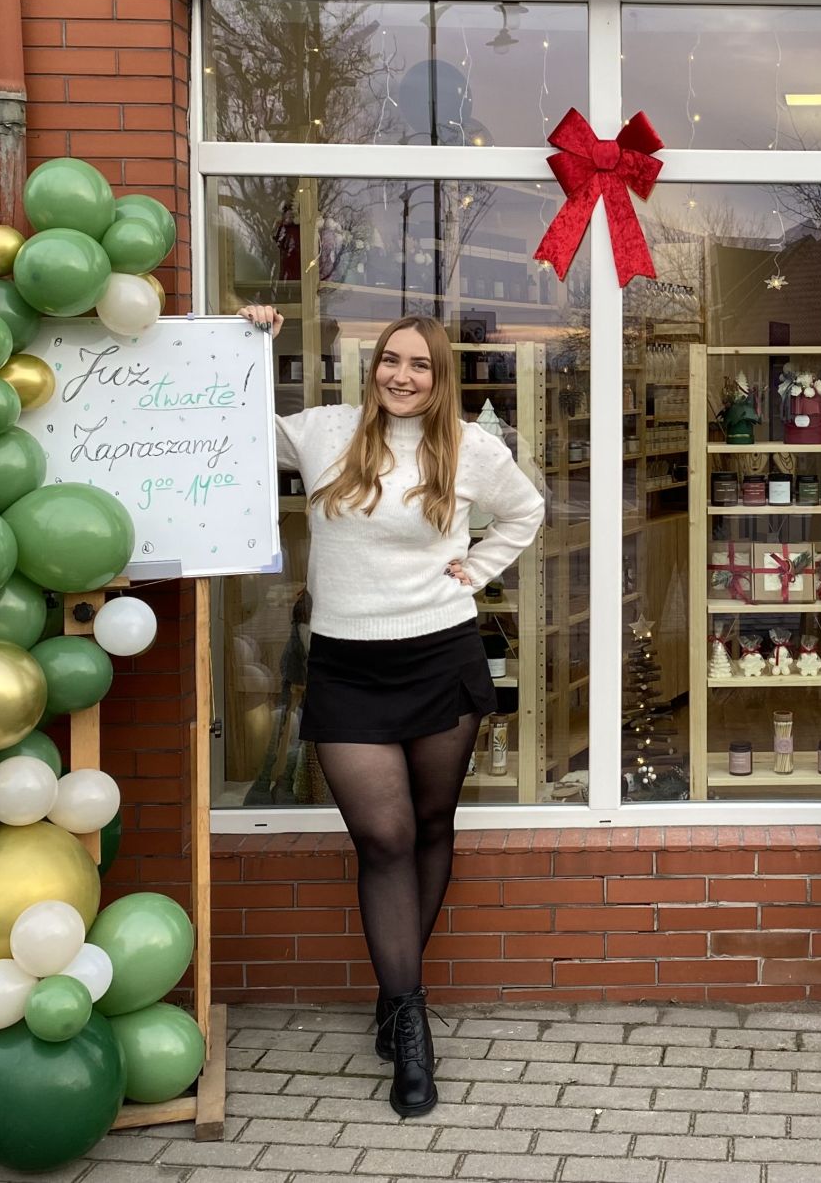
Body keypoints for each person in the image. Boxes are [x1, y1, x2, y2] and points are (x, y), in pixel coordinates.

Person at [239, 307, 544, 1118]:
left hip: (439, 654)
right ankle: (411, 1022)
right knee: (384, 837)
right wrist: (246, 340)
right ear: (373, 365)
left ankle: (397, 1001)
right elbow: (231, 423)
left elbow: (527, 511)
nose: (402, 376)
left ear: (441, 379)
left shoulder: (471, 449)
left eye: (420, 366)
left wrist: (477, 569)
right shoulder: (324, 432)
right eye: (391, 360)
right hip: (347, 664)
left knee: (433, 825)